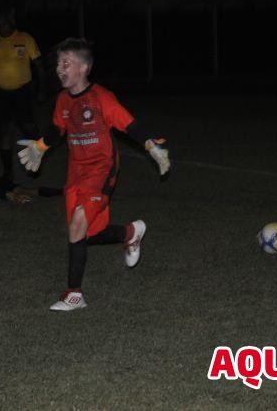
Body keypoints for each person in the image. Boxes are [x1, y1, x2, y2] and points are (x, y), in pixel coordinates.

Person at [17, 38, 171, 311]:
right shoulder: (63, 99)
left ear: (84, 67)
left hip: (102, 169)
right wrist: (40, 147)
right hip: (76, 171)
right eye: (58, 64)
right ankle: (130, 232)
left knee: (77, 226)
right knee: (86, 233)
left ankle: (74, 294)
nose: (59, 69)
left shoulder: (102, 98)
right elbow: (57, 129)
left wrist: (152, 146)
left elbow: (130, 125)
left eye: (67, 63)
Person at [0, 7, 45, 183]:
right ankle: (8, 172)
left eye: (4, 23)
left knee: (29, 129)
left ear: (11, 24)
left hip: (23, 92)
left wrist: (42, 89)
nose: (1, 27)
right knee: (5, 131)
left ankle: (34, 163)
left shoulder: (25, 38)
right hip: (1, 94)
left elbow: (39, 66)